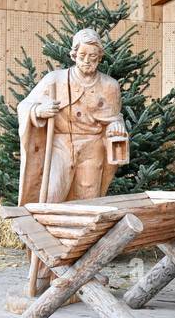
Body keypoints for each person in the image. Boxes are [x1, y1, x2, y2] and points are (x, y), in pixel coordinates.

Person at [17, 28, 127, 206]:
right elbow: (24, 106)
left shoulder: (110, 86)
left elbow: (114, 119)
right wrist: (38, 111)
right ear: (74, 54)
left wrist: (116, 127)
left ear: (99, 57)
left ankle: (82, 233)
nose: (87, 60)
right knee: (52, 194)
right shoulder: (54, 80)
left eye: (92, 56)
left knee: (89, 197)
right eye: (82, 54)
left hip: (93, 147)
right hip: (61, 145)